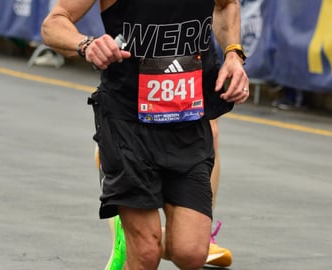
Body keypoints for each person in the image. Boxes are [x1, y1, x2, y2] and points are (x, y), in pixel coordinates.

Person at [42, 0, 249, 269]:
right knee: (146, 254)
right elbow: (54, 23)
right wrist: (86, 44)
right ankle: (134, 231)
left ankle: (131, 229)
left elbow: (226, 6)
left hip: (187, 119)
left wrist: (233, 53)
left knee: (191, 253)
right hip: (128, 123)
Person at [97, 118, 232, 269]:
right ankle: (133, 232)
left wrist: (234, 92)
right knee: (146, 252)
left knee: (192, 250)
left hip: (182, 116)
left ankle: (132, 234)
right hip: (129, 117)